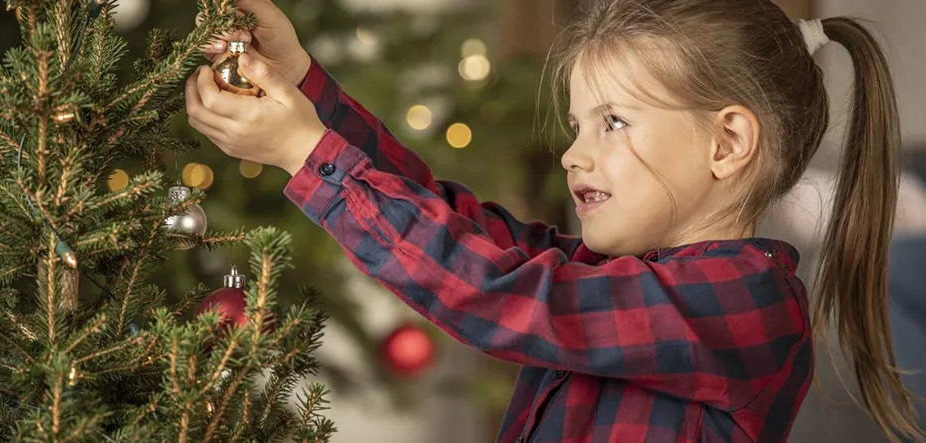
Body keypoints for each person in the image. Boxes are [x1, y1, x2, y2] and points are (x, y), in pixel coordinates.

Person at [185, 0, 923, 441]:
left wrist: (305, 151)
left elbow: (497, 291)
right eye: (577, 125)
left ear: (726, 142)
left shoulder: (747, 300)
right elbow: (451, 223)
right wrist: (308, 93)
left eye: (613, 122)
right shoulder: (604, 277)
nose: (573, 154)